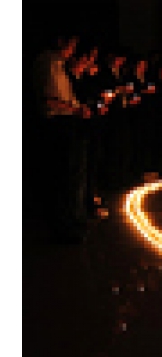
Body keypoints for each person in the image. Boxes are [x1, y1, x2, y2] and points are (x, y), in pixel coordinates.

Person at [33, 36, 92, 243]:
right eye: (71, 46)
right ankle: (65, 226)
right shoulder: (48, 63)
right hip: (59, 124)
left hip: (69, 122)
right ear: (60, 42)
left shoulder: (59, 65)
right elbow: (49, 99)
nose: (72, 51)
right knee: (64, 177)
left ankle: (73, 221)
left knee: (73, 175)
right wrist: (75, 109)